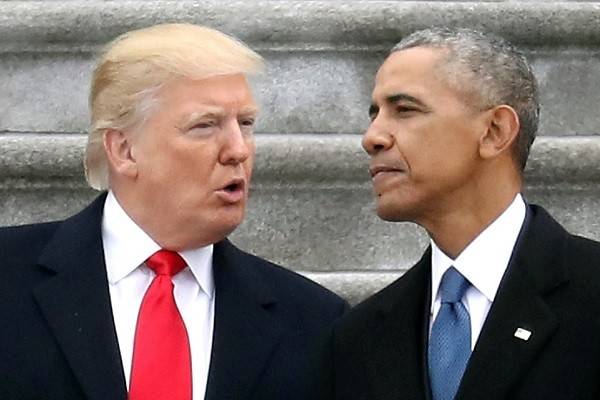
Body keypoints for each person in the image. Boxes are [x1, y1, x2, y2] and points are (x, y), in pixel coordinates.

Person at [0, 23, 347, 400]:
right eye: (205, 125)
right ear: (124, 150)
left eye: (245, 124)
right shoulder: (9, 275)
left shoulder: (314, 322)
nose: (238, 150)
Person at [318, 27, 600, 400]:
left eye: (404, 110)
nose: (372, 137)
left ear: (495, 131)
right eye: (375, 114)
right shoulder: (360, 334)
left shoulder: (590, 292)